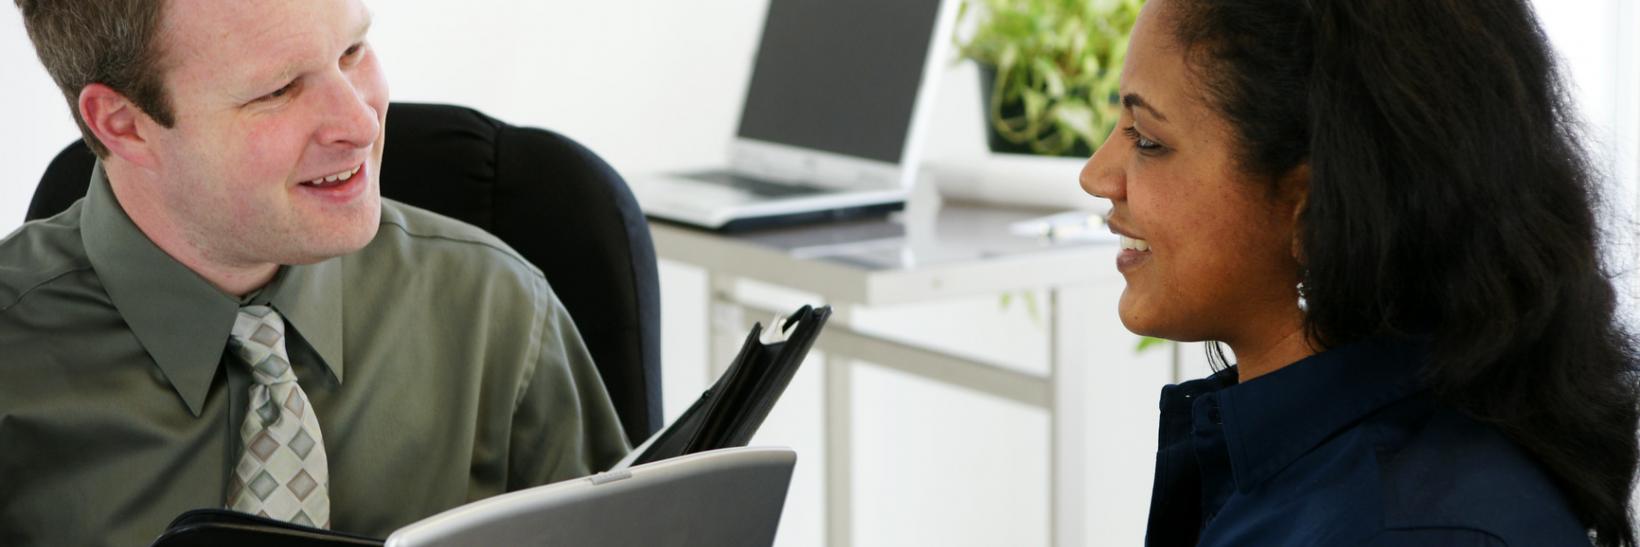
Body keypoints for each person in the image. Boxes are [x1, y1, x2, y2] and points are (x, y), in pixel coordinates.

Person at [0, 0, 630, 545]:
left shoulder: (499, 309)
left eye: (353, 50)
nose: (361, 123)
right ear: (124, 124)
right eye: (277, 90)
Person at [1079, 0, 1639, 545]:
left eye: (1148, 140)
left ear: (1313, 207)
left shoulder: (1405, 529)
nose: (1096, 175)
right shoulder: (1332, 470)